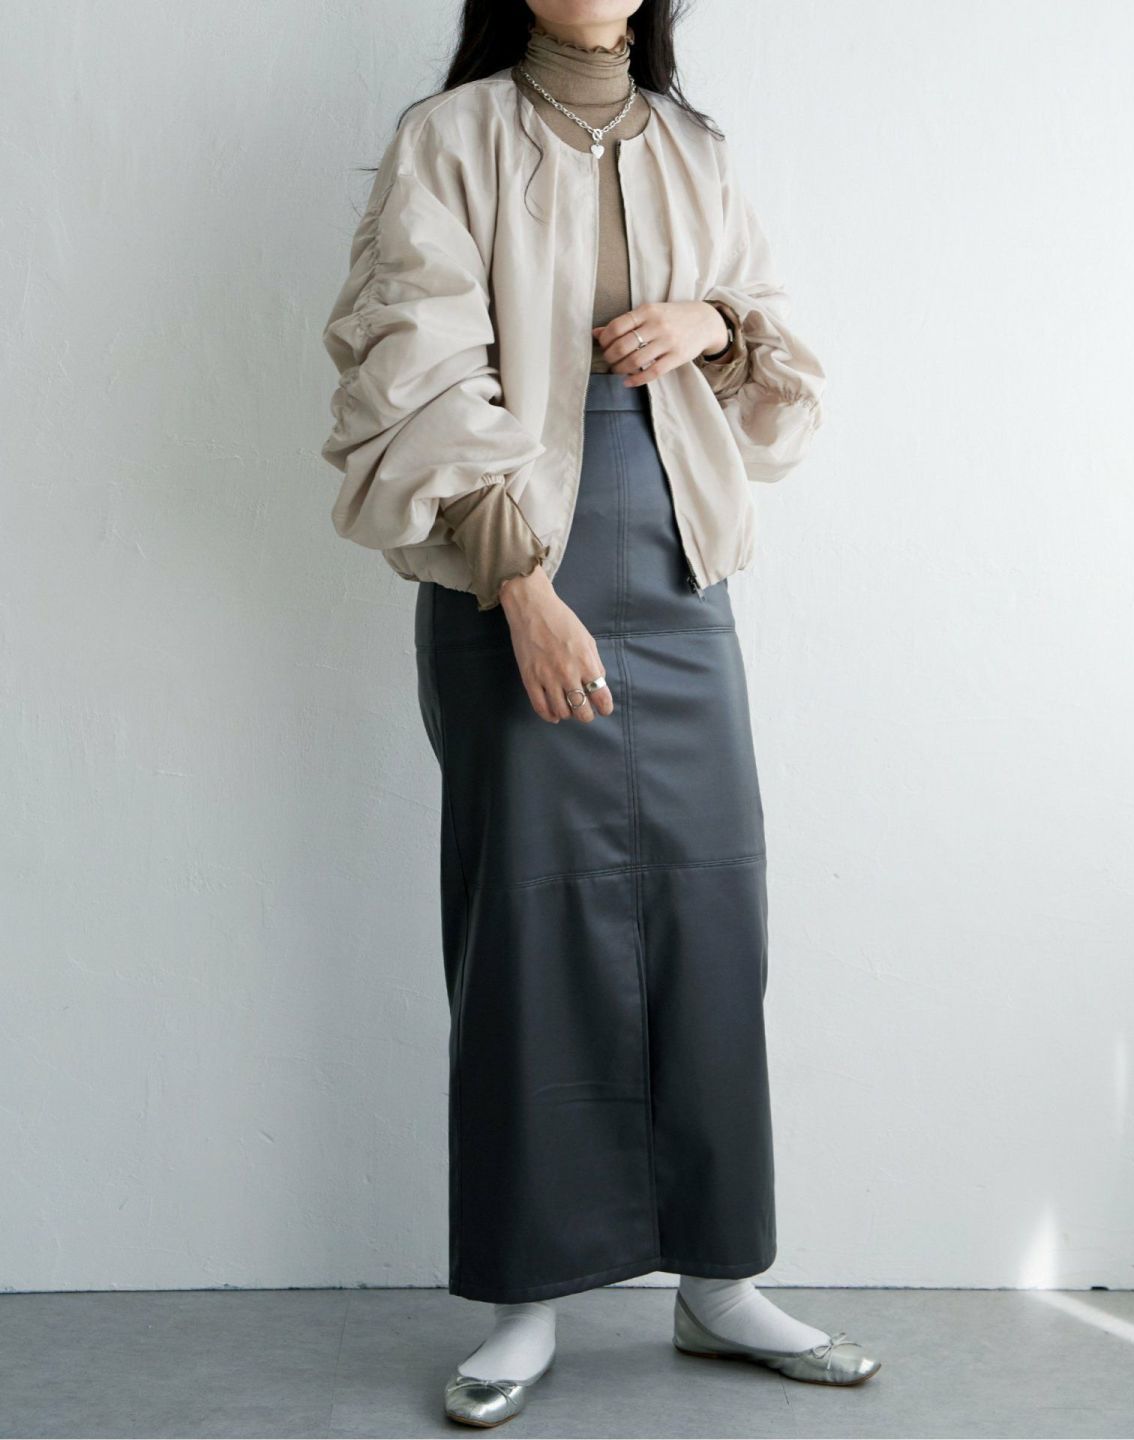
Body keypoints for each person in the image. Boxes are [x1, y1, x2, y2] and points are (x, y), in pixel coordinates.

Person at [319, 0, 881, 1426]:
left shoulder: (697, 147)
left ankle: (720, 1282)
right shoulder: (449, 138)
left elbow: (782, 370)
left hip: (680, 559)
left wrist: (717, 324)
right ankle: (525, 1296)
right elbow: (407, 366)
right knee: (527, 923)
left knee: (712, 908)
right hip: (510, 557)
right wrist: (521, 586)